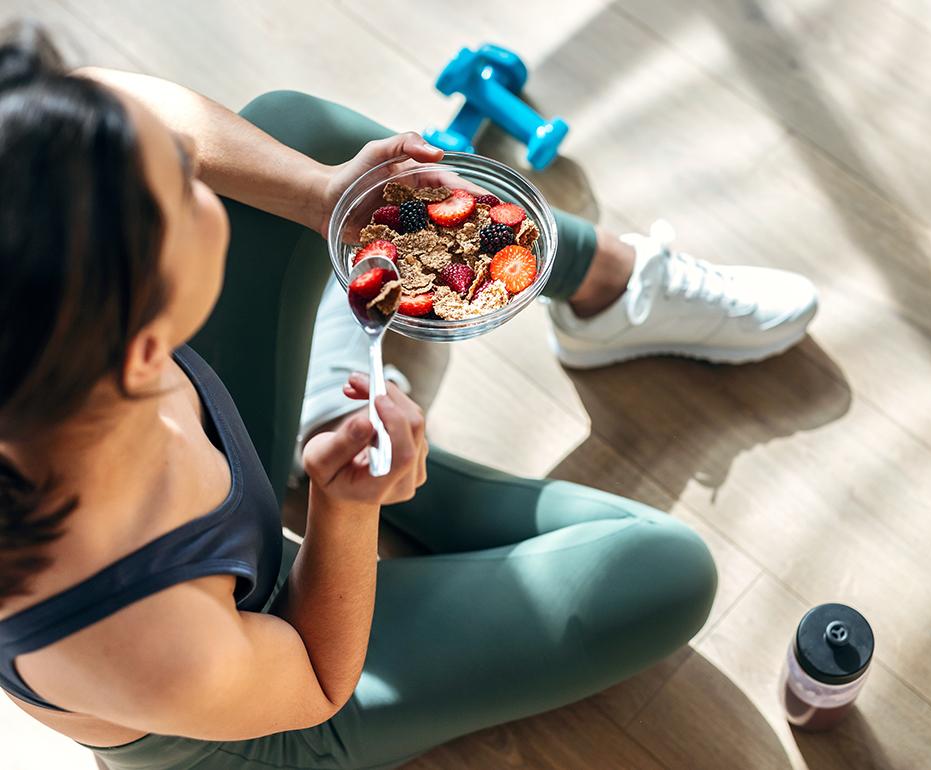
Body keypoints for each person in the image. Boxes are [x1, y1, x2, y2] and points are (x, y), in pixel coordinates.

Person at [0, 19, 800, 770]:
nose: (190, 166)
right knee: (665, 569)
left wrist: (320, 194)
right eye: (180, 188)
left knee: (297, 133)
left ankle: (601, 289)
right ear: (150, 346)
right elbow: (314, 682)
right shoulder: (137, 641)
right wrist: (347, 509)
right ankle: (348, 448)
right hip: (274, 690)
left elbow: (119, 104)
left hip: (204, 481)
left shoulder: (56, 351)